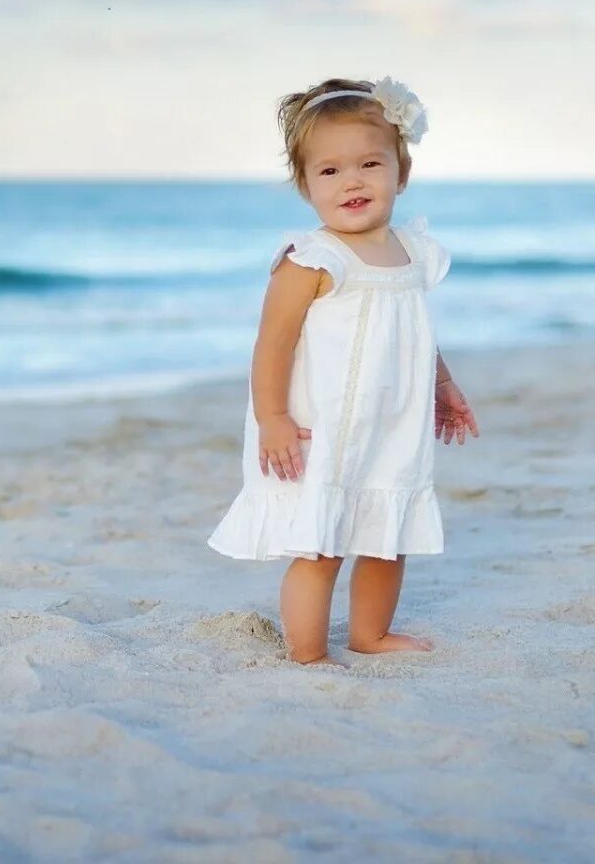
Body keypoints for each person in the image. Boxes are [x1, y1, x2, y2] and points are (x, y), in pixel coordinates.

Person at [206, 76, 480, 666]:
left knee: (388, 538)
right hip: (321, 426)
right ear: (305, 186)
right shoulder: (312, 259)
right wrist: (272, 417)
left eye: (369, 164)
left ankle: (371, 634)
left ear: (400, 173)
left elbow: (415, 333)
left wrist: (444, 384)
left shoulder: (412, 252)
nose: (351, 180)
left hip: (391, 422)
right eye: (329, 171)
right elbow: (271, 345)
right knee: (321, 545)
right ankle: (308, 654)